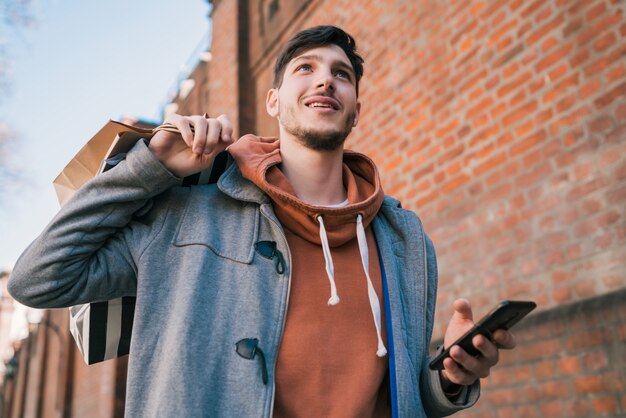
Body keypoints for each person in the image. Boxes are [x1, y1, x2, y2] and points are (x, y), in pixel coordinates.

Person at [9, 26, 515, 417]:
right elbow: (39, 278)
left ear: (355, 108)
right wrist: (150, 167)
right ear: (273, 100)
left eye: (342, 74)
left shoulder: (406, 242)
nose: (325, 80)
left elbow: (405, 400)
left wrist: (449, 380)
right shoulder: (185, 216)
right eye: (306, 68)